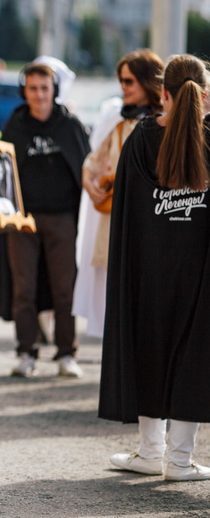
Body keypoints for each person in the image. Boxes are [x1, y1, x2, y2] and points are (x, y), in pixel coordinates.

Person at [99, 54, 210, 481]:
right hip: (199, 272)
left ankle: (150, 452)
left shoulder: (141, 138)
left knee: (150, 350)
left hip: (148, 270)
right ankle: (179, 461)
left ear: (162, 92)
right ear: (203, 95)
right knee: (193, 357)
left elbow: (125, 214)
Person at [2, 63, 90, 378]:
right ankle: (26, 352)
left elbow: (85, 169)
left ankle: (67, 353)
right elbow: (2, 171)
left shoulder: (70, 125)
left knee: (64, 287)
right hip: (23, 219)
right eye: (33, 88)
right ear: (24, 91)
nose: (39, 95)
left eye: (45, 88)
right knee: (23, 287)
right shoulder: (16, 125)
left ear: (54, 90)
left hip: (62, 217)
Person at [73, 49, 163, 338]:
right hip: (113, 221)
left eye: (129, 81)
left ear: (148, 82)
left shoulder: (164, 125)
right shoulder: (119, 122)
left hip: (151, 225)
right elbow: (92, 163)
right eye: (121, 81)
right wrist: (92, 187)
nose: (123, 87)